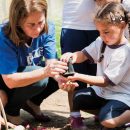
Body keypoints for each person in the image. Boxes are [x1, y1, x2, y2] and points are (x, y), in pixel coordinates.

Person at [0, 0, 73, 127]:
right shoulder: (4, 34)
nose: (38, 29)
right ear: (17, 21)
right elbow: (10, 80)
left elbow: (51, 61)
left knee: (63, 70)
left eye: (40, 22)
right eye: (31, 24)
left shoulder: (48, 26)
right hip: (5, 81)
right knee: (41, 78)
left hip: (26, 75)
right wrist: (45, 72)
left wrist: (59, 79)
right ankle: (11, 111)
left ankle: (32, 103)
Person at [60, 2, 130, 130]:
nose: (103, 36)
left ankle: (122, 117)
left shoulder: (124, 52)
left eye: (107, 32)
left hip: (120, 95)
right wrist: (73, 56)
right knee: (78, 97)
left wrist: (77, 76)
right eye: (99, 32)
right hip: (102, 93)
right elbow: (84, 54)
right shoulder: (101, 41)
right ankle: (76, 118)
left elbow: (104, 81)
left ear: (122, 26)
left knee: (107, 122)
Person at [60, 0, 99, 112]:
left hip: (101, 23)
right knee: (72, 75)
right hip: (72, 24)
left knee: (98, 73)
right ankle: (74, 116)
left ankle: (99, 111)